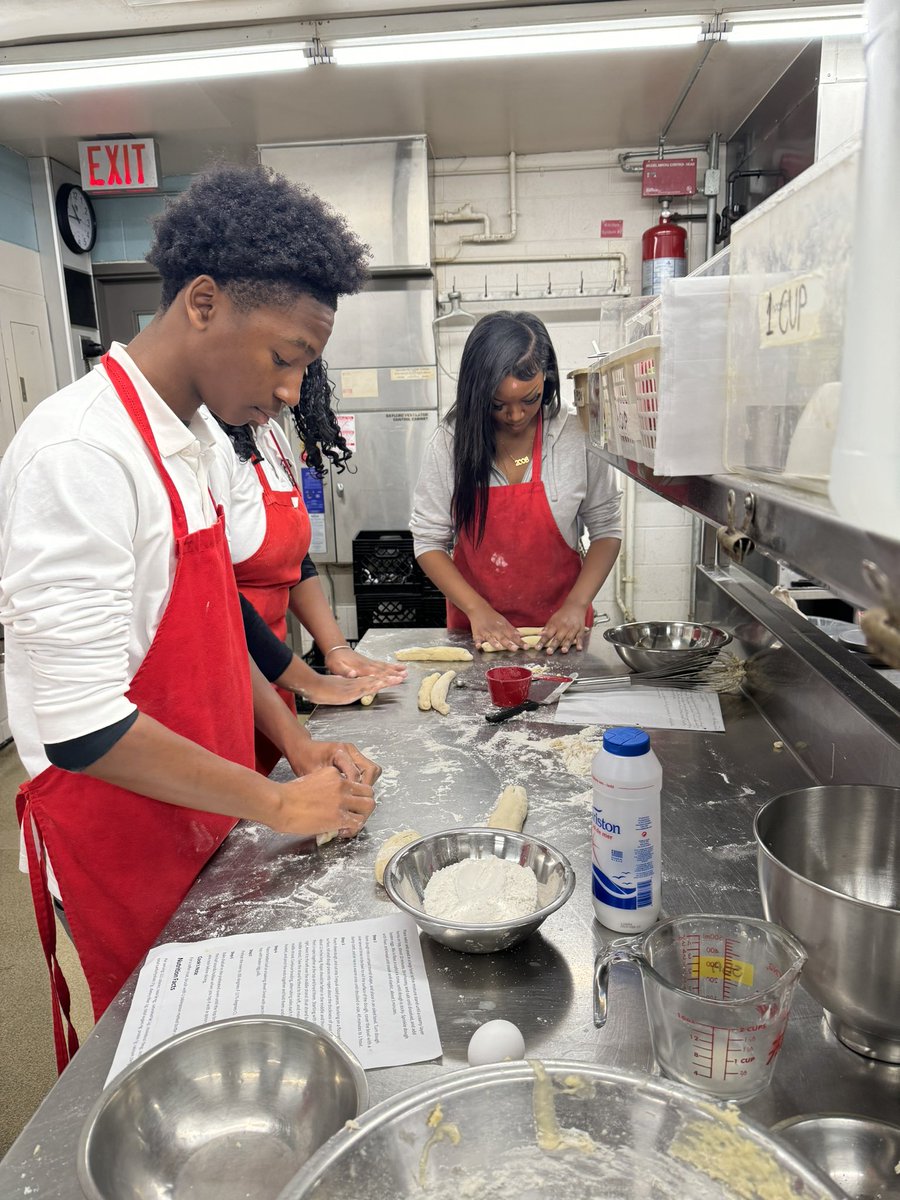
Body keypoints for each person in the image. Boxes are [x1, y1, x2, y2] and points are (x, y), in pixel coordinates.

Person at [0, 164, 381, 1066]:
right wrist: (277, 802)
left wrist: (293, 740)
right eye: (285, 357)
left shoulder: (197, 440)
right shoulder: (82, 451)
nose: (291, 390)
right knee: (174, 1062)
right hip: (122, 834)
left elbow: (209, 631)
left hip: (203, 810)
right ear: (203, 303)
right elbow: (81, 726)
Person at [209, 356, 406, 774]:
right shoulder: (205, 446)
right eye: (280, 361)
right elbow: (214, 601)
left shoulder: (270, 435)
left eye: (301, 370)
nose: (291, 393)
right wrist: (308, 681)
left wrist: (336, 649)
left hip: (274, 678)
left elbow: (294, 556)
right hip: (222, 686)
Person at [410, 311, 622, 653]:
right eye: (498, 404)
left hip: (560, 637)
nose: (515, 415)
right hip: (478, 637)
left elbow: (607, 529)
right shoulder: (450, 441)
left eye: (530, 399)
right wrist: (477, 610)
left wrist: (576, 604)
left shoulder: (576, 433)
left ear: (546, 380)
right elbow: (428, 542)